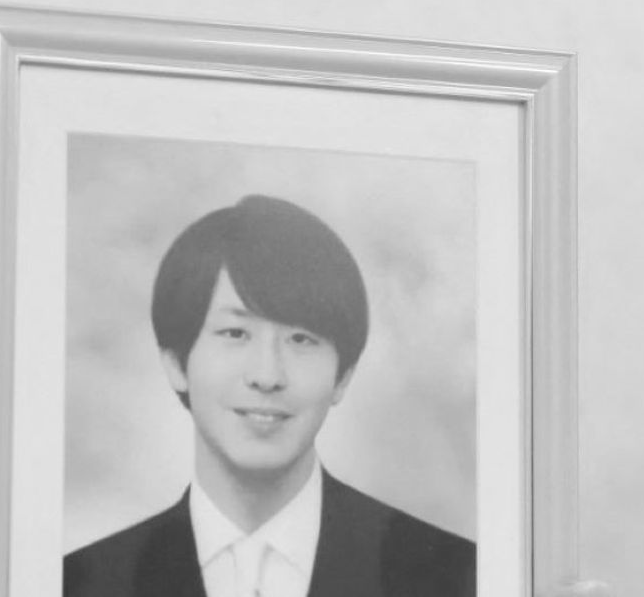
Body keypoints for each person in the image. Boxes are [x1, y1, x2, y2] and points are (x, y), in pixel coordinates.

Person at [64, 195, 475, 597]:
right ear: (175, 363)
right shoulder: (81, 582)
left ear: (344, 376)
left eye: (301, 338)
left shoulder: (453, 576)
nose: (267, 375)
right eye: (235, 333)